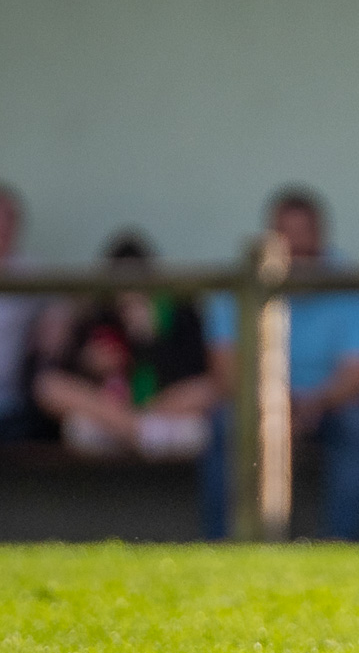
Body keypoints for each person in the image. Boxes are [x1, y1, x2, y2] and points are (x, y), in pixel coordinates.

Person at [206, 188, 359, 540]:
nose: (297, 257)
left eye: (305, 244)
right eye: (287, 244)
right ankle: (224, 545)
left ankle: (343, 548)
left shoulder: (350, 284)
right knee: (224, 423)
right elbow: (226, 372)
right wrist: (275, 407)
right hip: (256, 403)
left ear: (322, 240)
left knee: (357, 423)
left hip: (328, 404)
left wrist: (313, 404)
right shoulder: (237, 286)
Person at [32, 230, 213, 460]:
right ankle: (136, 430)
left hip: (165, 416)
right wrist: (88, 365)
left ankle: (138, 429)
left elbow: (192, 377)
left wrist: (148, 340)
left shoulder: (179, 314)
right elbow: (60, 380)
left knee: (209, 393)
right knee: (52, 390)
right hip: (111, 419)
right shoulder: (96, 316)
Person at [0, 184, 49, 444]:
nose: (3, 227)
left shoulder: (30, 275)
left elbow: (64, 310)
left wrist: (53, 328)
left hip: (11, 405)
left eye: (9, 219)